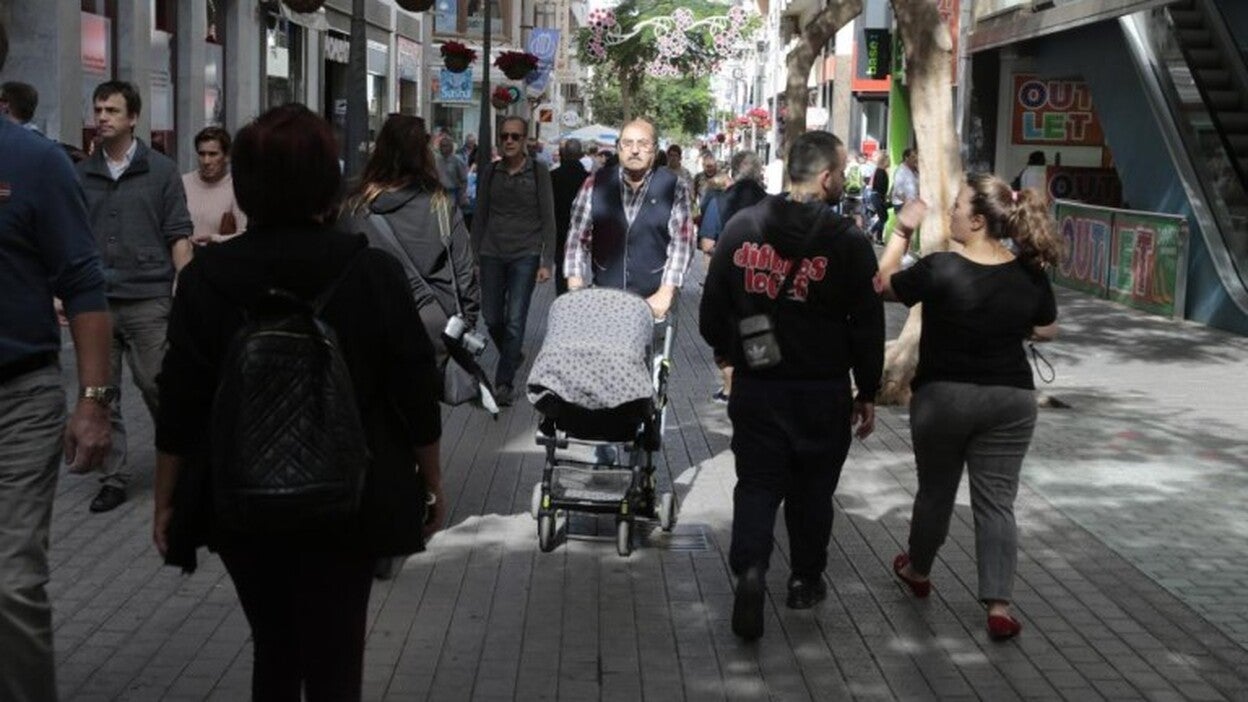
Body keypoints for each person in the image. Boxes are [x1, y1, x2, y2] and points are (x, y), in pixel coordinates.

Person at [153, 103, 445, 700]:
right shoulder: (371, 273)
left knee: (274, 645)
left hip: (242, 497)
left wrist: (166, 499)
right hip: (350, 497)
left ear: (245, 183)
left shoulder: (207, 277)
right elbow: (415, 389)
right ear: (325, 182)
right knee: (337, 654)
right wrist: (432, 482)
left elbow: (180, 397)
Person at [699, 130, 883, 641]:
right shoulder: (848, 241)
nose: (842, 180)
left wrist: (729, 353)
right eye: (841, 171)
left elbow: (712, 309)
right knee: (813, 491)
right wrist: (867, 389)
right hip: (822, 390)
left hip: (759, 386)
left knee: (757, 484)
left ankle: (751, 568)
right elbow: (868, 324)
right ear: (825, 177)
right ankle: (804, 578)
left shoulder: (743, 227)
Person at [875, 174, 1061, 642]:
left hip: (945, 399)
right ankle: (999, 606)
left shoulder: (941, 268)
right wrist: (1012, 326)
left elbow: (882, 284)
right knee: (997, 502)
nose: (951, 213)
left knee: (936, 492)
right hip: (1010, 401)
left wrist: (902, 230)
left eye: (957, 206)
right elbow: (1048, 328)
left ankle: (918, 570)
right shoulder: (1028, 273)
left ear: (977, 220)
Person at [0, 21, 114, 699]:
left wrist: (94, 402)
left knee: (10, 583)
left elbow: (83, 284)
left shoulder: (36, 162)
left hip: (17, 400)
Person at [77, 80, 193, 513]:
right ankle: (113, 477)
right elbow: (72, 237)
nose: (102, 118)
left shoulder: (161, 171)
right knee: (101, 393)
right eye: (98, 109)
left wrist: (187, 286)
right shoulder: (82, 173)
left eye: (111, 110)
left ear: (133, 118)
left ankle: (181, 465)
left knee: (159, 385)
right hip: (97, 303)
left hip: (148, 297)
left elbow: (178, 233)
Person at [344, 113, 481, 358]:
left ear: (380, 150)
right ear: (424, 153)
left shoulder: (356, 207)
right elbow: (464, 272)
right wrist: (465, 324)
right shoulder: (440, 204)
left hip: (372, 328)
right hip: (434, 329)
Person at [564, 117, 694, 318]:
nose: (634, 150)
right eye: (627, 143)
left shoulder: (674, 186)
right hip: (603, 297)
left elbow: (682, 243)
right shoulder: (595, 184)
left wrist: (666, 292)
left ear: (654, 150)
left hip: (652, 301)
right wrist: (575, 285)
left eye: (643, 144)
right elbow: (576, 238)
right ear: (618, 148)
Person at [470, 116, 557, 406]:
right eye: (504, 136)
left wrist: (546, 261)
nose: (509, 141)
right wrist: (474, 256)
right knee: (492, 317)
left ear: (525, 141)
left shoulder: (538, 172)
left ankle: (504, 382)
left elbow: (548, 219)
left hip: (525, 253)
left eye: (515, 136)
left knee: (516, 319)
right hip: (492, 252)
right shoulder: (490, 172)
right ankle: (513, 353)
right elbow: (480, 216)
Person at [696, 150, 769, 405]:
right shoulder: (772, 204)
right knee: (758, 332)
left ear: (733, 172)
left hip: (727, 281)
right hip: (763, 282)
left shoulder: (719, 202)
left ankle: (729, 389)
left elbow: (707, 244)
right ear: (759, 173)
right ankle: (756, 387)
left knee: (725, 335)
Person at [183, 126, 247, 246]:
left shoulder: (236, 187)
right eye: (202, 154)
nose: (206, 161)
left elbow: (245, 235)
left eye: (213, 154)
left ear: (227, 156)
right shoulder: (183, 183)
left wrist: (215, 239)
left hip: (220, 254)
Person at [550, 138, 591, 296]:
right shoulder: (587, 178)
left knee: (561, 269)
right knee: (579, 268)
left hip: (558, 230)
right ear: (581, 155)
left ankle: (562, 299)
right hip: (581, 231)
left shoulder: (553, 176)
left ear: (563, 154)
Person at [435, 134, 468, 207]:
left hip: (452, 194)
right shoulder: (436, 160)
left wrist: (462, 195)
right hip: (439, 193)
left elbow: (464, 180)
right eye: (441, 146)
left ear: (451, 147)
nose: (443, 148)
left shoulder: (457, 161)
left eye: (445, 145)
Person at [868, 150, 891, 243]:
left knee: (883, 217)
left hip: (877, 196)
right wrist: (884, 198)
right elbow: (880, 187)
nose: (889, 162)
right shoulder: (881, 171)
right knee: (883, 217)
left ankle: (876, 236)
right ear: (884, 161)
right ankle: (873, 233)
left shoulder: (880, 170)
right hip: (877, 196)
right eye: (888, 160)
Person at [891, 147, 920, 212]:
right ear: (906, 158)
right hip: (903, 205)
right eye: (913, 157)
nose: (915, 159)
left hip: (913, 203)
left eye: (916, 157)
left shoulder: (915, 171)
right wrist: (907, 202)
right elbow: (898, 191)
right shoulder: (901, 171)